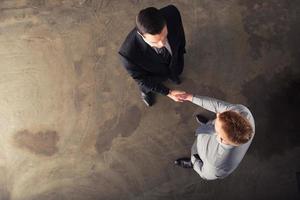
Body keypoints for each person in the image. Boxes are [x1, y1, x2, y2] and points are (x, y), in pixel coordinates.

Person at [174, 93, 255, 180]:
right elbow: (217, 105)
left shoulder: (216, 165)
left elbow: (205, 174)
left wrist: (196, 163)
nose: (217, 114)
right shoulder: (243, 112)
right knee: (212, 123)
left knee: (195, 152)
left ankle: (192, 163)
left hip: (202, 154)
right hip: (217, 133)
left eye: (216, 123)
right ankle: (208, 123)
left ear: (220, 137)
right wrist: (190, 97)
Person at [119, 5, 186, 106]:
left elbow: (180, 34)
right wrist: (168, 92)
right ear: (142, 36)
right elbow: (142, 80)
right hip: (152, 74)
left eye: (165, 36)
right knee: (147, 86)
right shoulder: (128, 54)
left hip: (173, 61)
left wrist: (181, 51)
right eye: (155, 42)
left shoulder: (172, 13)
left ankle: (172, 75)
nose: (162, 44)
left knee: (174, 72)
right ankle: (146, 93)